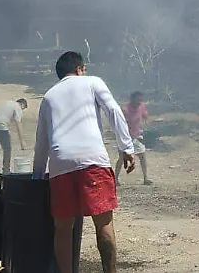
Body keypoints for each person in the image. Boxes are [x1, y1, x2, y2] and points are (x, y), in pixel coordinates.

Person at [33, 51, 135, 273]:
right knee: (104, 223)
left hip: (60, 163)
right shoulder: (92, 82)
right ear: (79, 69)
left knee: (63, 229)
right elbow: (114, 111)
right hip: (93, 160)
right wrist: (126, 148)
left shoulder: (49, 96)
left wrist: (37, 175)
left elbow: (41, 141)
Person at [116, 92, 152, 186]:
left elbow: (145, 117)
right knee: (122, 158)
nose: (139, 102)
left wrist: (144, 127)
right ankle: (115, 179)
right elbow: (119, 123)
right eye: (138, 100)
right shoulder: (125, 109)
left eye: (141, 100)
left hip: (137, 136)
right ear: (132, 99)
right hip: (126, 137)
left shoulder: (141, 106)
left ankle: (146, 179)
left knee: (142, 157)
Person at [0, 98, 28, 174]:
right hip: (1, 127)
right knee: (7, 149)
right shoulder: (18, 107)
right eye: (23, 108)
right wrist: (22, 142)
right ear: (22, 104)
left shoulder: (7, 103)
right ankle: (6, 170)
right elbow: (18, 124)